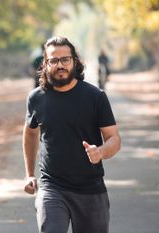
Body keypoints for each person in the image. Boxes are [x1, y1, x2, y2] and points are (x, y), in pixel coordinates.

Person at [22, 36, 121, 233]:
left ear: (74, 61)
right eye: (54, 60)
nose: (60, 65)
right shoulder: (36, 98)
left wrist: (100, 152)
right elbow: (31, 133)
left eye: (65, 59)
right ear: (45, 63)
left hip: (91, 189)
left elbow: (114, 138)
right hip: (52, 187)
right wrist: (29, 174)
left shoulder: (95, 97)